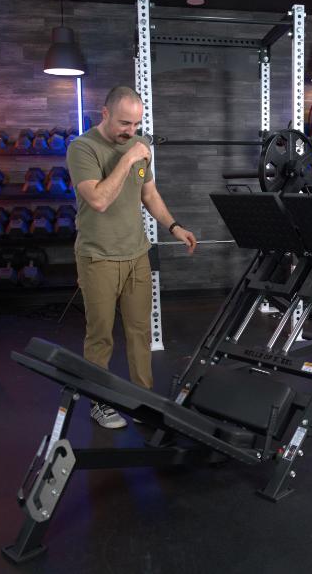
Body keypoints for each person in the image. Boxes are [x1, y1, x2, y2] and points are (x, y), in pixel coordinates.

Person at [66, 85, 197, 429]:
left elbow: (148, 193)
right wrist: (127, 158)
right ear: (104, 113)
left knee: (140, 332)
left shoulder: (141, 145)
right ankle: (99, 403)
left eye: (136, 125)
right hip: (99, 258)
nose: (131, 132)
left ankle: (144, 399)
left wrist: (174, 226)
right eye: (124, 123)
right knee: (101, 335)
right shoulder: (82, 149)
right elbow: (99, 199)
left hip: (137, 254)